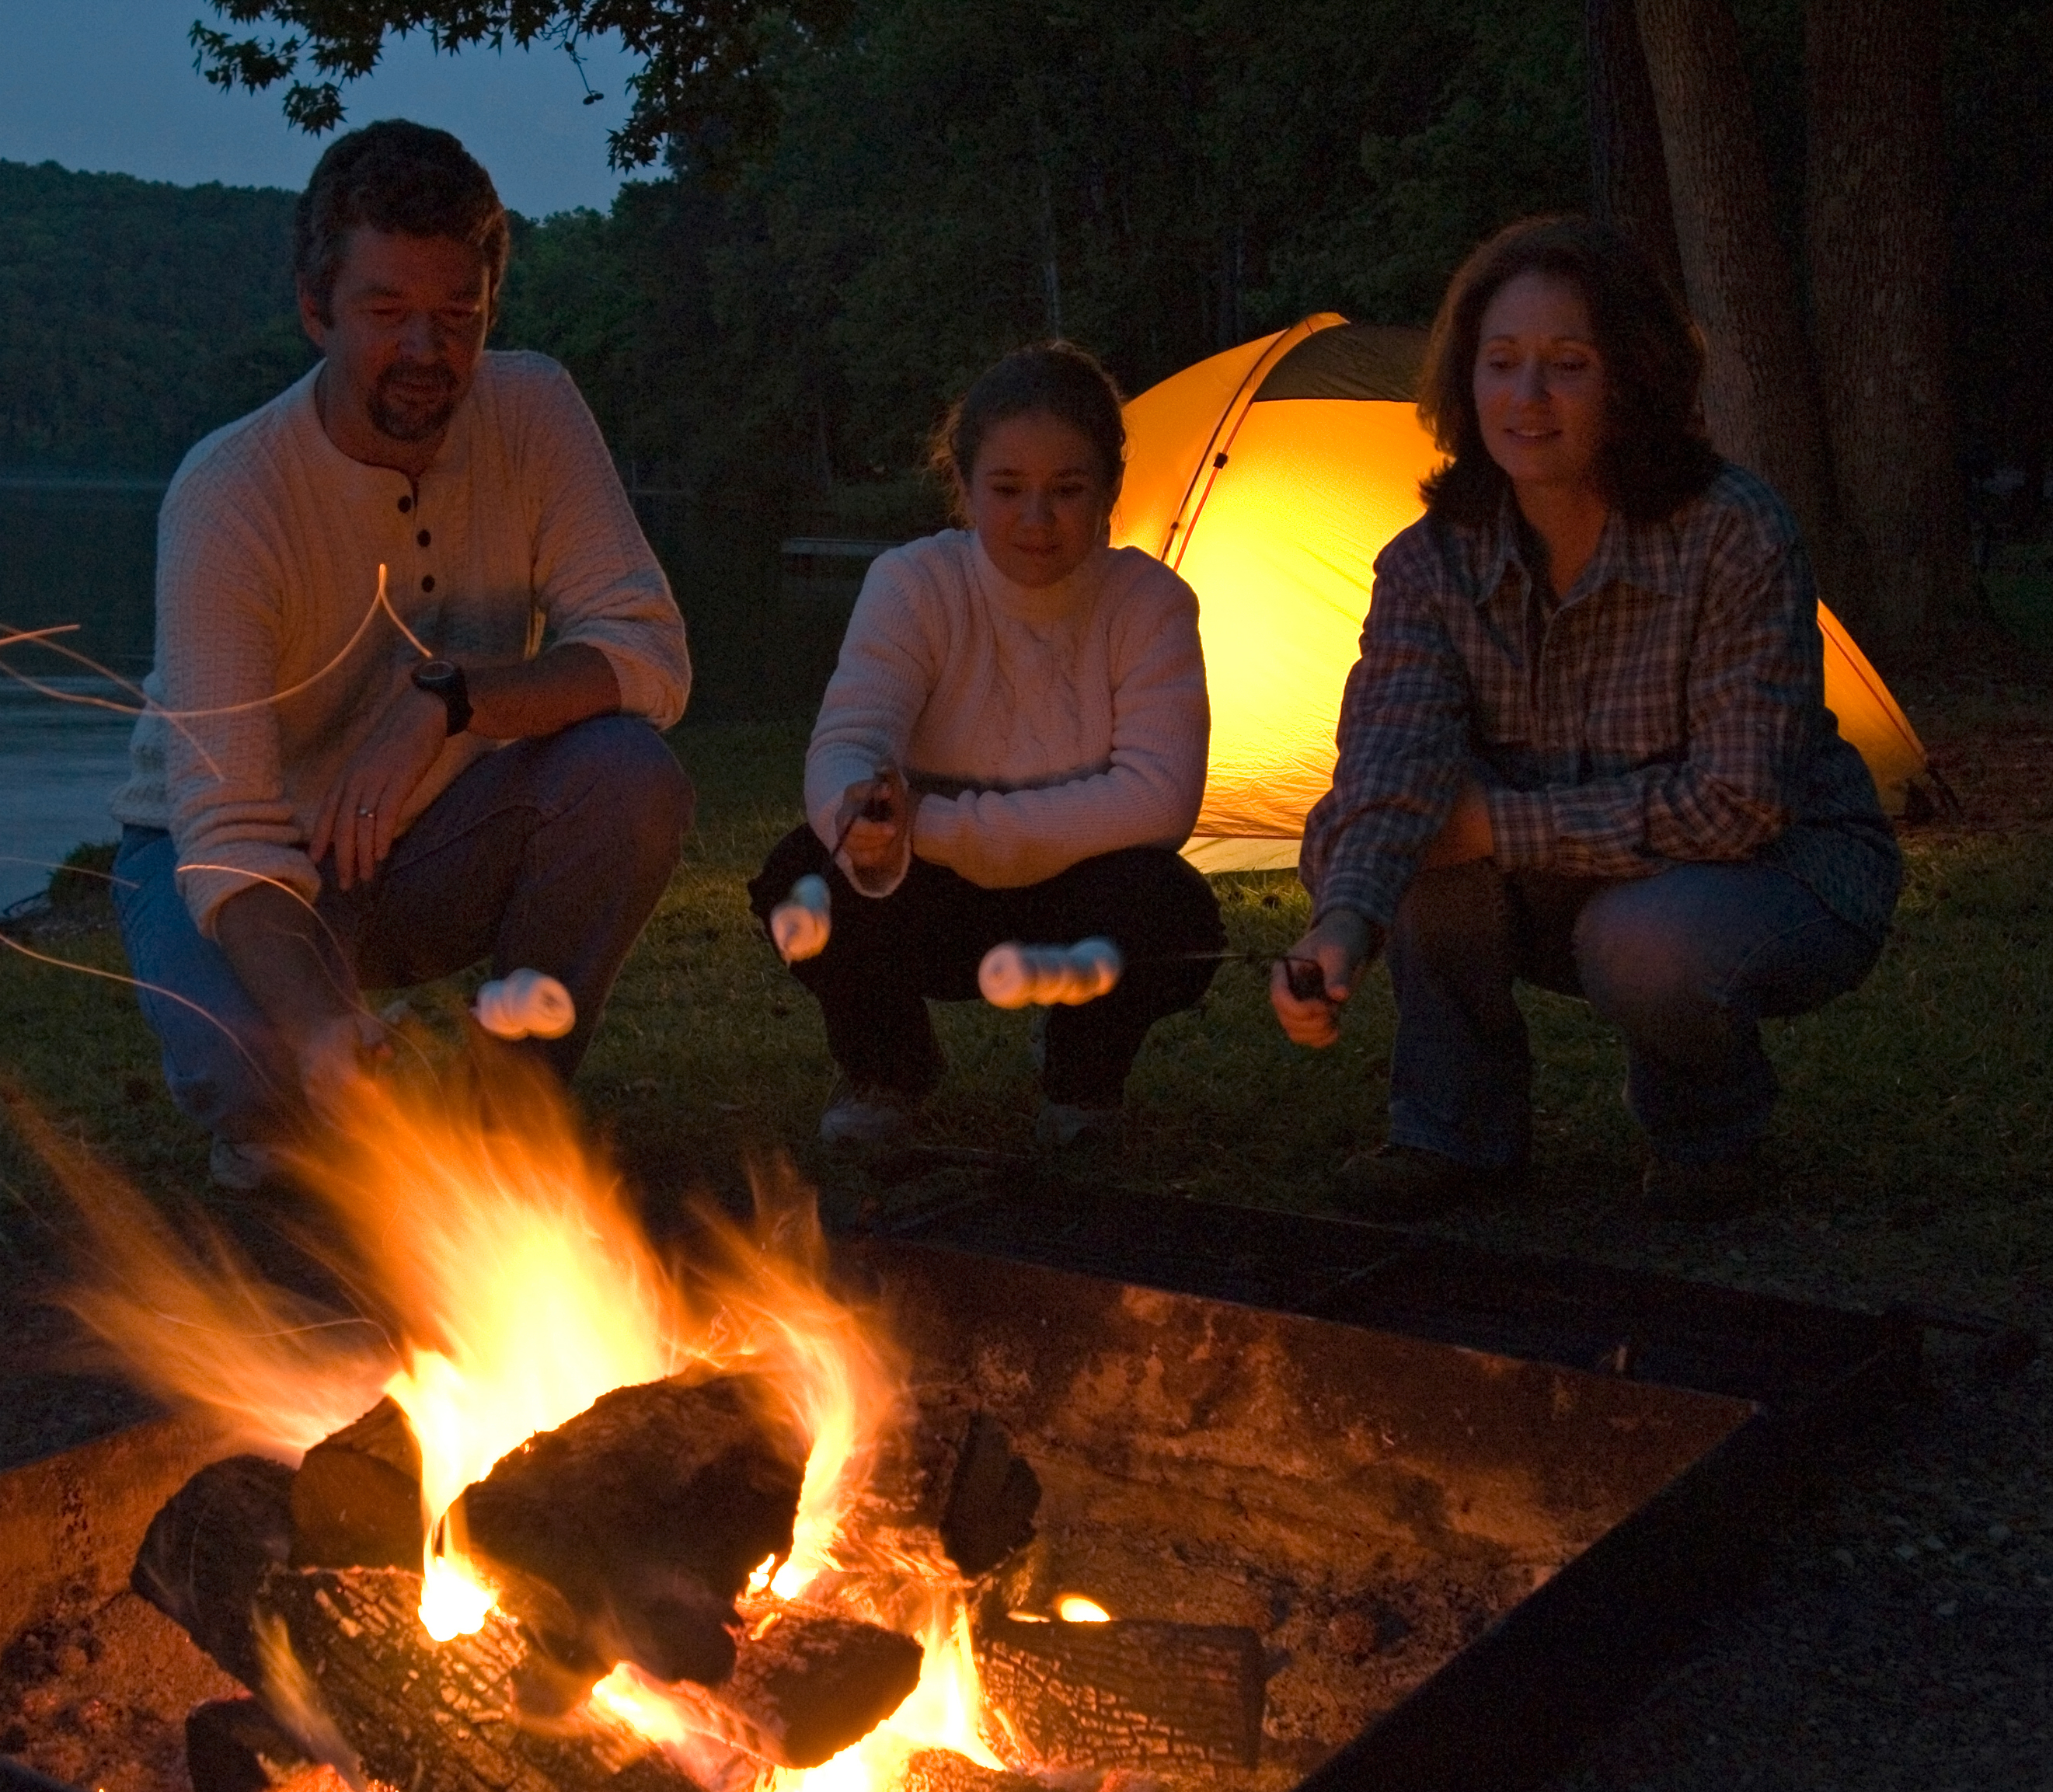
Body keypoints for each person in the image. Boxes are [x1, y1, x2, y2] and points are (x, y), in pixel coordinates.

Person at [1271, 215, 1900, 1222]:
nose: (1527, 397)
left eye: (1567, 364)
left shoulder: (1731, 535)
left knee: (1636, 934)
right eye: (1501, 362)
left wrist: (1499, 824)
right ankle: (1451, 1131)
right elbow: (1391, 767)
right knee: (1410, 834)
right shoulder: (1432, 563)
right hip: (1567, 873)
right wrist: (1341, 929)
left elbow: (1740, 802)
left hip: (1778, 871)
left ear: (1632, 378)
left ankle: (1711, 1135)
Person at [108, 120, 694, 1191]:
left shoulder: (532, 412)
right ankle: (296, 1096)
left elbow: (647, 653)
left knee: (628, 778)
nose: (427, 351)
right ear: (315, 309)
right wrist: (323, 1025)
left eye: (456, 316)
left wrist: (451, 699)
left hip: (432, 842)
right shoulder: (232, 494)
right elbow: (229, 830)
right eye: (387, 313)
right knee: (257, 1071)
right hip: (230, 861)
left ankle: (506, 1111)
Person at [750, 341, 1221, 1152]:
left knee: (1168, 907)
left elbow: (1160, 797)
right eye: (1008, 490)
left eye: (1067, 491)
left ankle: (1082, 1082)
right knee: (804, 878)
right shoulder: (915, 585)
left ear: (1110, 489)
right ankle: (888, 1071)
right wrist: (864, 812)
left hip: (1075, 900)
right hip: (926, 900)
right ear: (965, 488)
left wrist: (938, 824)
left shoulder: (1148, 603)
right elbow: (851, 740)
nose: (1036, 520)